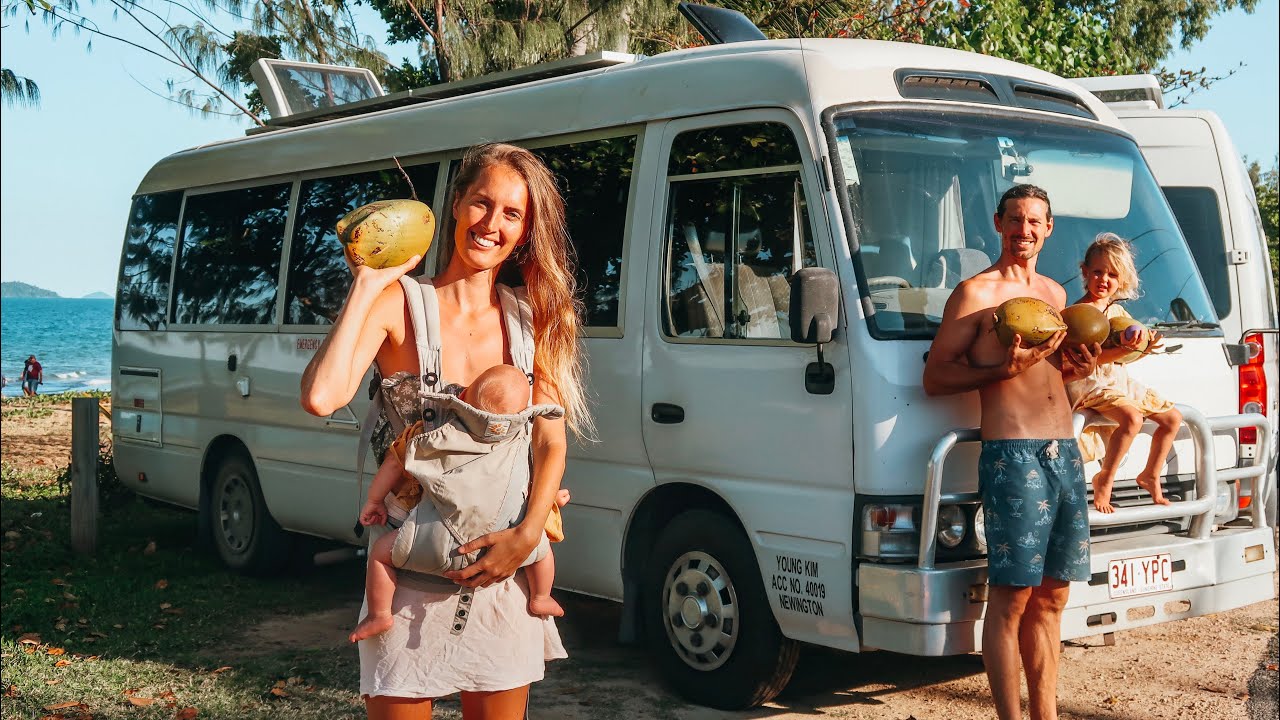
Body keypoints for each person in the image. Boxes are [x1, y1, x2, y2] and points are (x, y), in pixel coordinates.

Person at [301, 142, 590, 720]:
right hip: (408, 568)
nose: (492, 225)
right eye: (482, 204)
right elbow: (321, 396)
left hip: (501, 569)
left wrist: (524, 537)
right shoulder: (399, 304)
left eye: (512, 214)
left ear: (527, 229)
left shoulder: (535, 319)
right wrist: (366, 285)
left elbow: (550, 440)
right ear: (456, 205)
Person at [923, 184, 1100, 720]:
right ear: (998, 224)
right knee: (1012, 597)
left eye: (1035, 222)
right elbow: (935, 376)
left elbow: (1054, 375)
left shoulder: (1055, 294)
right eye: (1015, 220)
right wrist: (1002, 370)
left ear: (1048, 229)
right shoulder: (975, 293)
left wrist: (1076, 370)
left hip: (1064, 451)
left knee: (1053, 598)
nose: (1024, 230)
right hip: (1013, 455)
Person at [350, 364, 569, 644]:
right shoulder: (519, 444)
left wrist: (374, 500)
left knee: (380, 554)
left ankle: (380, 613)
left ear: (463, 397)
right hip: (501, 546)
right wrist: (554, 497)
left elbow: (395, 463)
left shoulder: (431, 432)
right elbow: (529, 485)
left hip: (434, 540)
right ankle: (541, 597)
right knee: (541, 549)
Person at [1067, 233, 1182, 513]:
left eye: (1112, 274)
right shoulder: (1078, 314)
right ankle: (1105, 478)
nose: (1104, 280)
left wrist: (1144, 348)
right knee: (1131, 418)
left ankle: (1150, 474)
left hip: (1117, 380)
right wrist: (1122, 351)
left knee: (1172, 419)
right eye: (1098, 272)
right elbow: (1089, 361)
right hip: (1091, 384)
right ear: (1085, 271)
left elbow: (1124, 357)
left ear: (1122, 280)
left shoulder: (1117, 311)